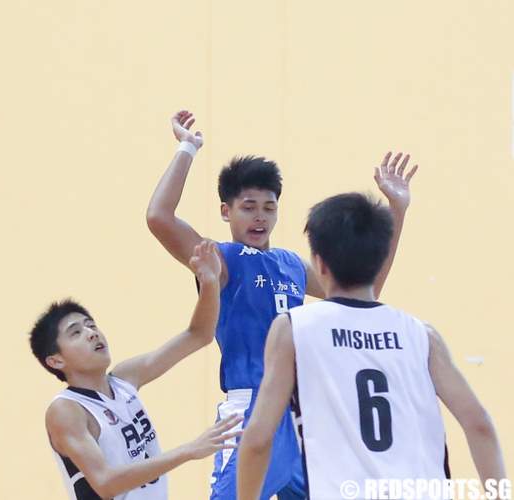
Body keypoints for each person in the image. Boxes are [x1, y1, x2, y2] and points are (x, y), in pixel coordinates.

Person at [146, 110, 418, 499]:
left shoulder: (292, 264)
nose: (260, 217)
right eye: (249, 206)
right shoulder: (221, 258)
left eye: (269, 208)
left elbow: (367, 287)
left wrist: (396, 211)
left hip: (302, 411)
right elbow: (158, 217)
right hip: (251, 409)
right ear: (226, 211)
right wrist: (187, 147)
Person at [237, 193, 506, 500]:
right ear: (380, 259)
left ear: (320, 264)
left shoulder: (294, 328)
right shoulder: (422, 335)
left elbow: (258, 440)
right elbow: (479, 424)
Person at [30, 241, 242, 499]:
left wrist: (209, 283)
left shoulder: (125, 378)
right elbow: (105, 483)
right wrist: (189, 450)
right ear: (55, 361)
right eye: (76, 332)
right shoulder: (66, 410)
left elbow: (198, 335)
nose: (91, 333)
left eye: (91, 325)